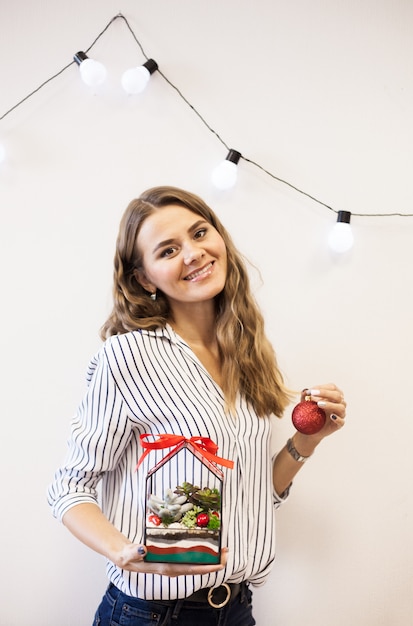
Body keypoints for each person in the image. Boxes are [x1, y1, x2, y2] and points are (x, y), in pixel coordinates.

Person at [48, 186, 346, 626]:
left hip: (237, 609)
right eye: (169, 249)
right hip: (151, 614)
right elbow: (70, 488)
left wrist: (306, 441)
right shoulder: (128, 357)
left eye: (200, 232)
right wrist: (128, 554)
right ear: (144, 278)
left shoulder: (246, 354)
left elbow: (252, 497)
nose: (194, 253)